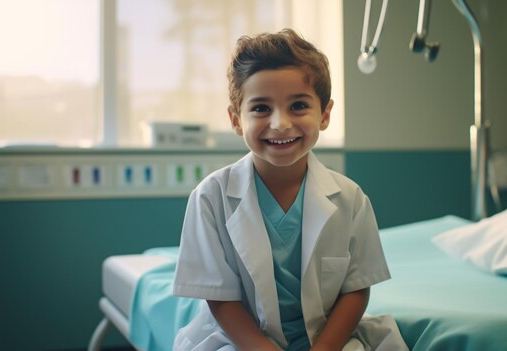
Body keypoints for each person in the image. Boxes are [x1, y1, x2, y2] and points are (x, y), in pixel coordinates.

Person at [172, 28, 406, 351]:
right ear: (236, 119)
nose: (280, 123)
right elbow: (220, 297)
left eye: (298, 106)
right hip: (242, 341)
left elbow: (356, 289)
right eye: (261, 108)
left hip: (327, 339)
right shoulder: (211, 198)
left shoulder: (351, 200)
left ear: (324, 114)